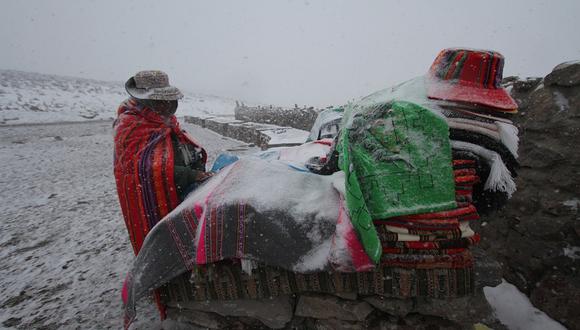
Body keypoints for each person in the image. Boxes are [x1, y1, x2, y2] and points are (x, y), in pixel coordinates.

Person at [113, 70, 213, 255]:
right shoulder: (131, 125)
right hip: (155, 197)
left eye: (168, 102)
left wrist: (196, 159)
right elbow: (142, 169)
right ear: (148, 101)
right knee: (165, 246)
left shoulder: (165, 120)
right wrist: (191, 175)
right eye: (161, 102)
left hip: (179, 188)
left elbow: (175, 146)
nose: (166, 106)